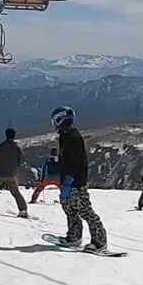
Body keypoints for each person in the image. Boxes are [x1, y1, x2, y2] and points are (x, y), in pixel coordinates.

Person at [50, 106, 108, 252]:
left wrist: (68, 182)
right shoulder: (64, 136)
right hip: (67, 180)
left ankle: (99, 241)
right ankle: (74, 236)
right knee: (69, 209)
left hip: (76, 181)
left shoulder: (73, 138)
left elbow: (74, 163)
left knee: (85, 211)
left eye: (56, 120)